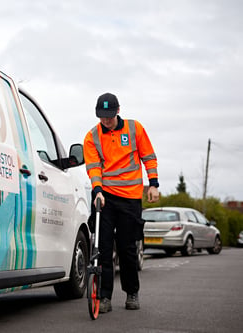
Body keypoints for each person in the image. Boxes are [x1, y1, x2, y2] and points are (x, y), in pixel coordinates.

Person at [83, 92, 160, 313]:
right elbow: (93, 167)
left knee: (127, 248)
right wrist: (97, 190)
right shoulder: (92, 136)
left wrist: (153, 184)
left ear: (118, 111)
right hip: (105, 198)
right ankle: (104, 297)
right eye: (101, 116)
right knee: (104, 248)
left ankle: (131, 293)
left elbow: (148, 156)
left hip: (131, 198)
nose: (105, 120)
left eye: (109, 115)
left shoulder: (135, 129)